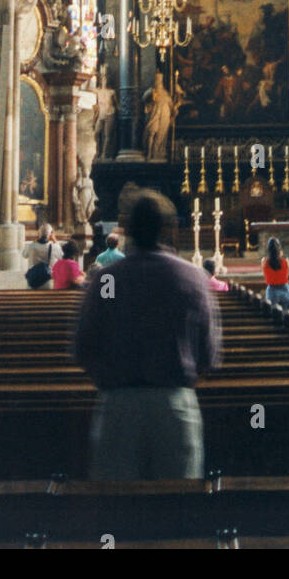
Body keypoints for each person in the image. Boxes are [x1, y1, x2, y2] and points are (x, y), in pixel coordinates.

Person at [74, 189, 221, 480]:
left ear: (127, 230)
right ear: (167, 230)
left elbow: (84, 347)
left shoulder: (108, 279)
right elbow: (209, 356)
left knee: (118, 508)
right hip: (175, 405)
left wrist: (111, 380)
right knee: (176, 509)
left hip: (118, 405)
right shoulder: (192, 279)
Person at [262, 237, 289, 309]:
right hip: (285, 289)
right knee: (285, 313)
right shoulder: (285, 261)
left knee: (274, 313)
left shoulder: (264, 262)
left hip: (271, 290)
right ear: (279, 249)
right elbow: (287, 272)